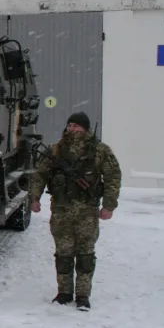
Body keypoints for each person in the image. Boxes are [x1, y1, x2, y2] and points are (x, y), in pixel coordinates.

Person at [28, 111, 122, 310]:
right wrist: (34, 198)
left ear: (85, 128)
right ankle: (64, 293)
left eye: (76, 126)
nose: (72, 129)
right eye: (70, 125)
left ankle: (83, 295)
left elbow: (113, 177)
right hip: (61, 210)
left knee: (86, 255)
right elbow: (39, 174)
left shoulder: (99, 150)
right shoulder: (56, 150)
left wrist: (109, 205)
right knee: (63, 253)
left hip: (87, 212)